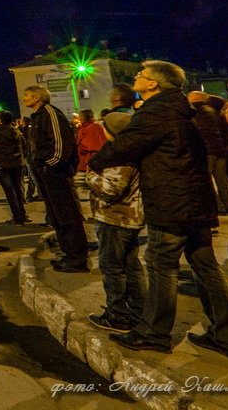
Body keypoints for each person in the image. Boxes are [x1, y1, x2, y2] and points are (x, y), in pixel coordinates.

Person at [90, 61, 228, 360]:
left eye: (141, 75)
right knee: (206, 269)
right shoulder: (183, 110)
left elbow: (124, 146)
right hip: (196, 200)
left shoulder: (155, 112)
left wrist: (96, 162)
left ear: (153, 84)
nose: (136, 77)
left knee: (161, 267)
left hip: (172, 202)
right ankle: (226, 336)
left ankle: (153, 332)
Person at [85, 112, 146, 334]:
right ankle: (139, 311)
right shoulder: (133, 151)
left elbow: (111, 190)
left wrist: (90, 176)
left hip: (115, 217)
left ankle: (117, 315)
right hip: (129, 216)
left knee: (113, 268)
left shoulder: (120, 156)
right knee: (131, 266)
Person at [22, 85, 89, 272]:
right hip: (45, 174)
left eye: (27, 95)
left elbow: (60, 144)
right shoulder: (37, 116)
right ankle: (67, 253)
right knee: (56, 215)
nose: (24, 98)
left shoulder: (50, 113)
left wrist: (50, 166)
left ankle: (77, 258)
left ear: (37, 97)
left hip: (55, 174)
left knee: (66, 213)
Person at [186, 92, 228, 216]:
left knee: (206, 179)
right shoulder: (213, 111)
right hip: (219, 148)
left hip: (206, 150)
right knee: (222, 180)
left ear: (194, 99)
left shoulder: (193, 111)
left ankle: (218, 207)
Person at [0, 111, 30, 224]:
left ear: (1, 120)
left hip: (2, 163)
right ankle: (23, 213)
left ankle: (17, 216)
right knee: (18, 189)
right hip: (16, 163)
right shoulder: (16, 131)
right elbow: (24, 146)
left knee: (9, 191)